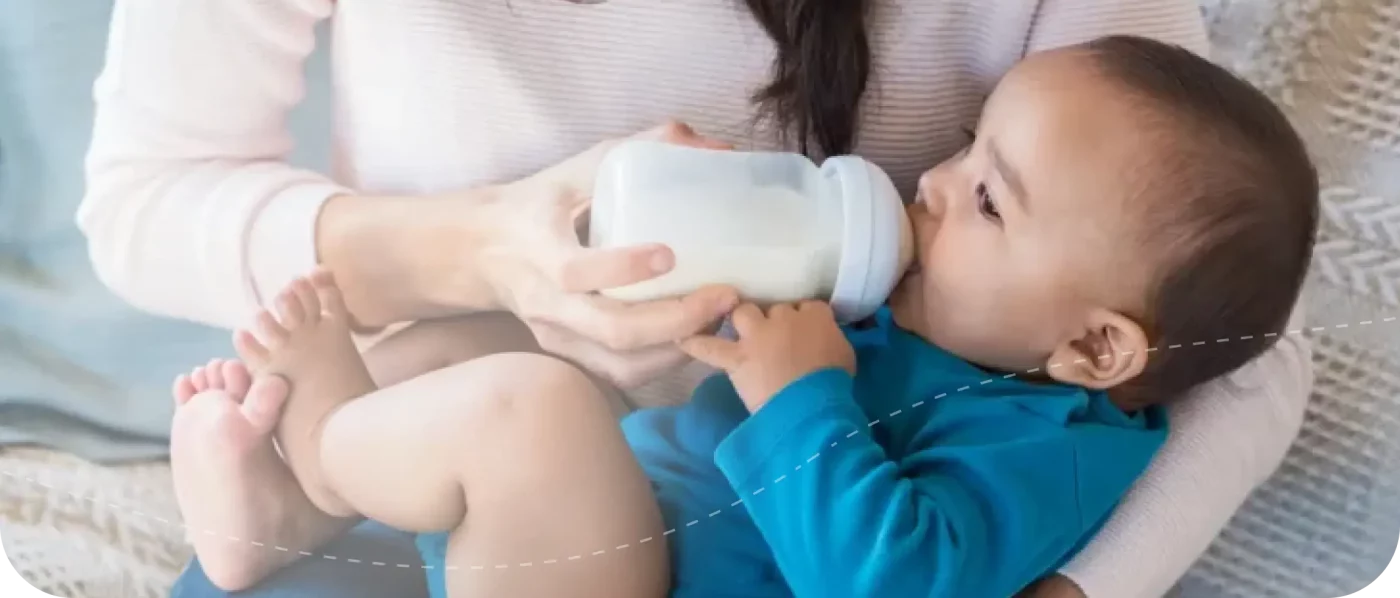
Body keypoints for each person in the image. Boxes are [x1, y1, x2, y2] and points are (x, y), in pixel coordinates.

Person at [77, 1, 1315, 597]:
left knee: (523, 412)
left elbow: (1236, 333)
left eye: (984, 195)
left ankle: (315, 462)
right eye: (960, 148)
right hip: (605, 522)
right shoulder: (942, 334)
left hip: (627, 565)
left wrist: (799, 394)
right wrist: (490, 248)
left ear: (1093, 346)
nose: (928, 186)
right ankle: (287, 505)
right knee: (470, 342)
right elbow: (144, 196)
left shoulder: (1041, 436)